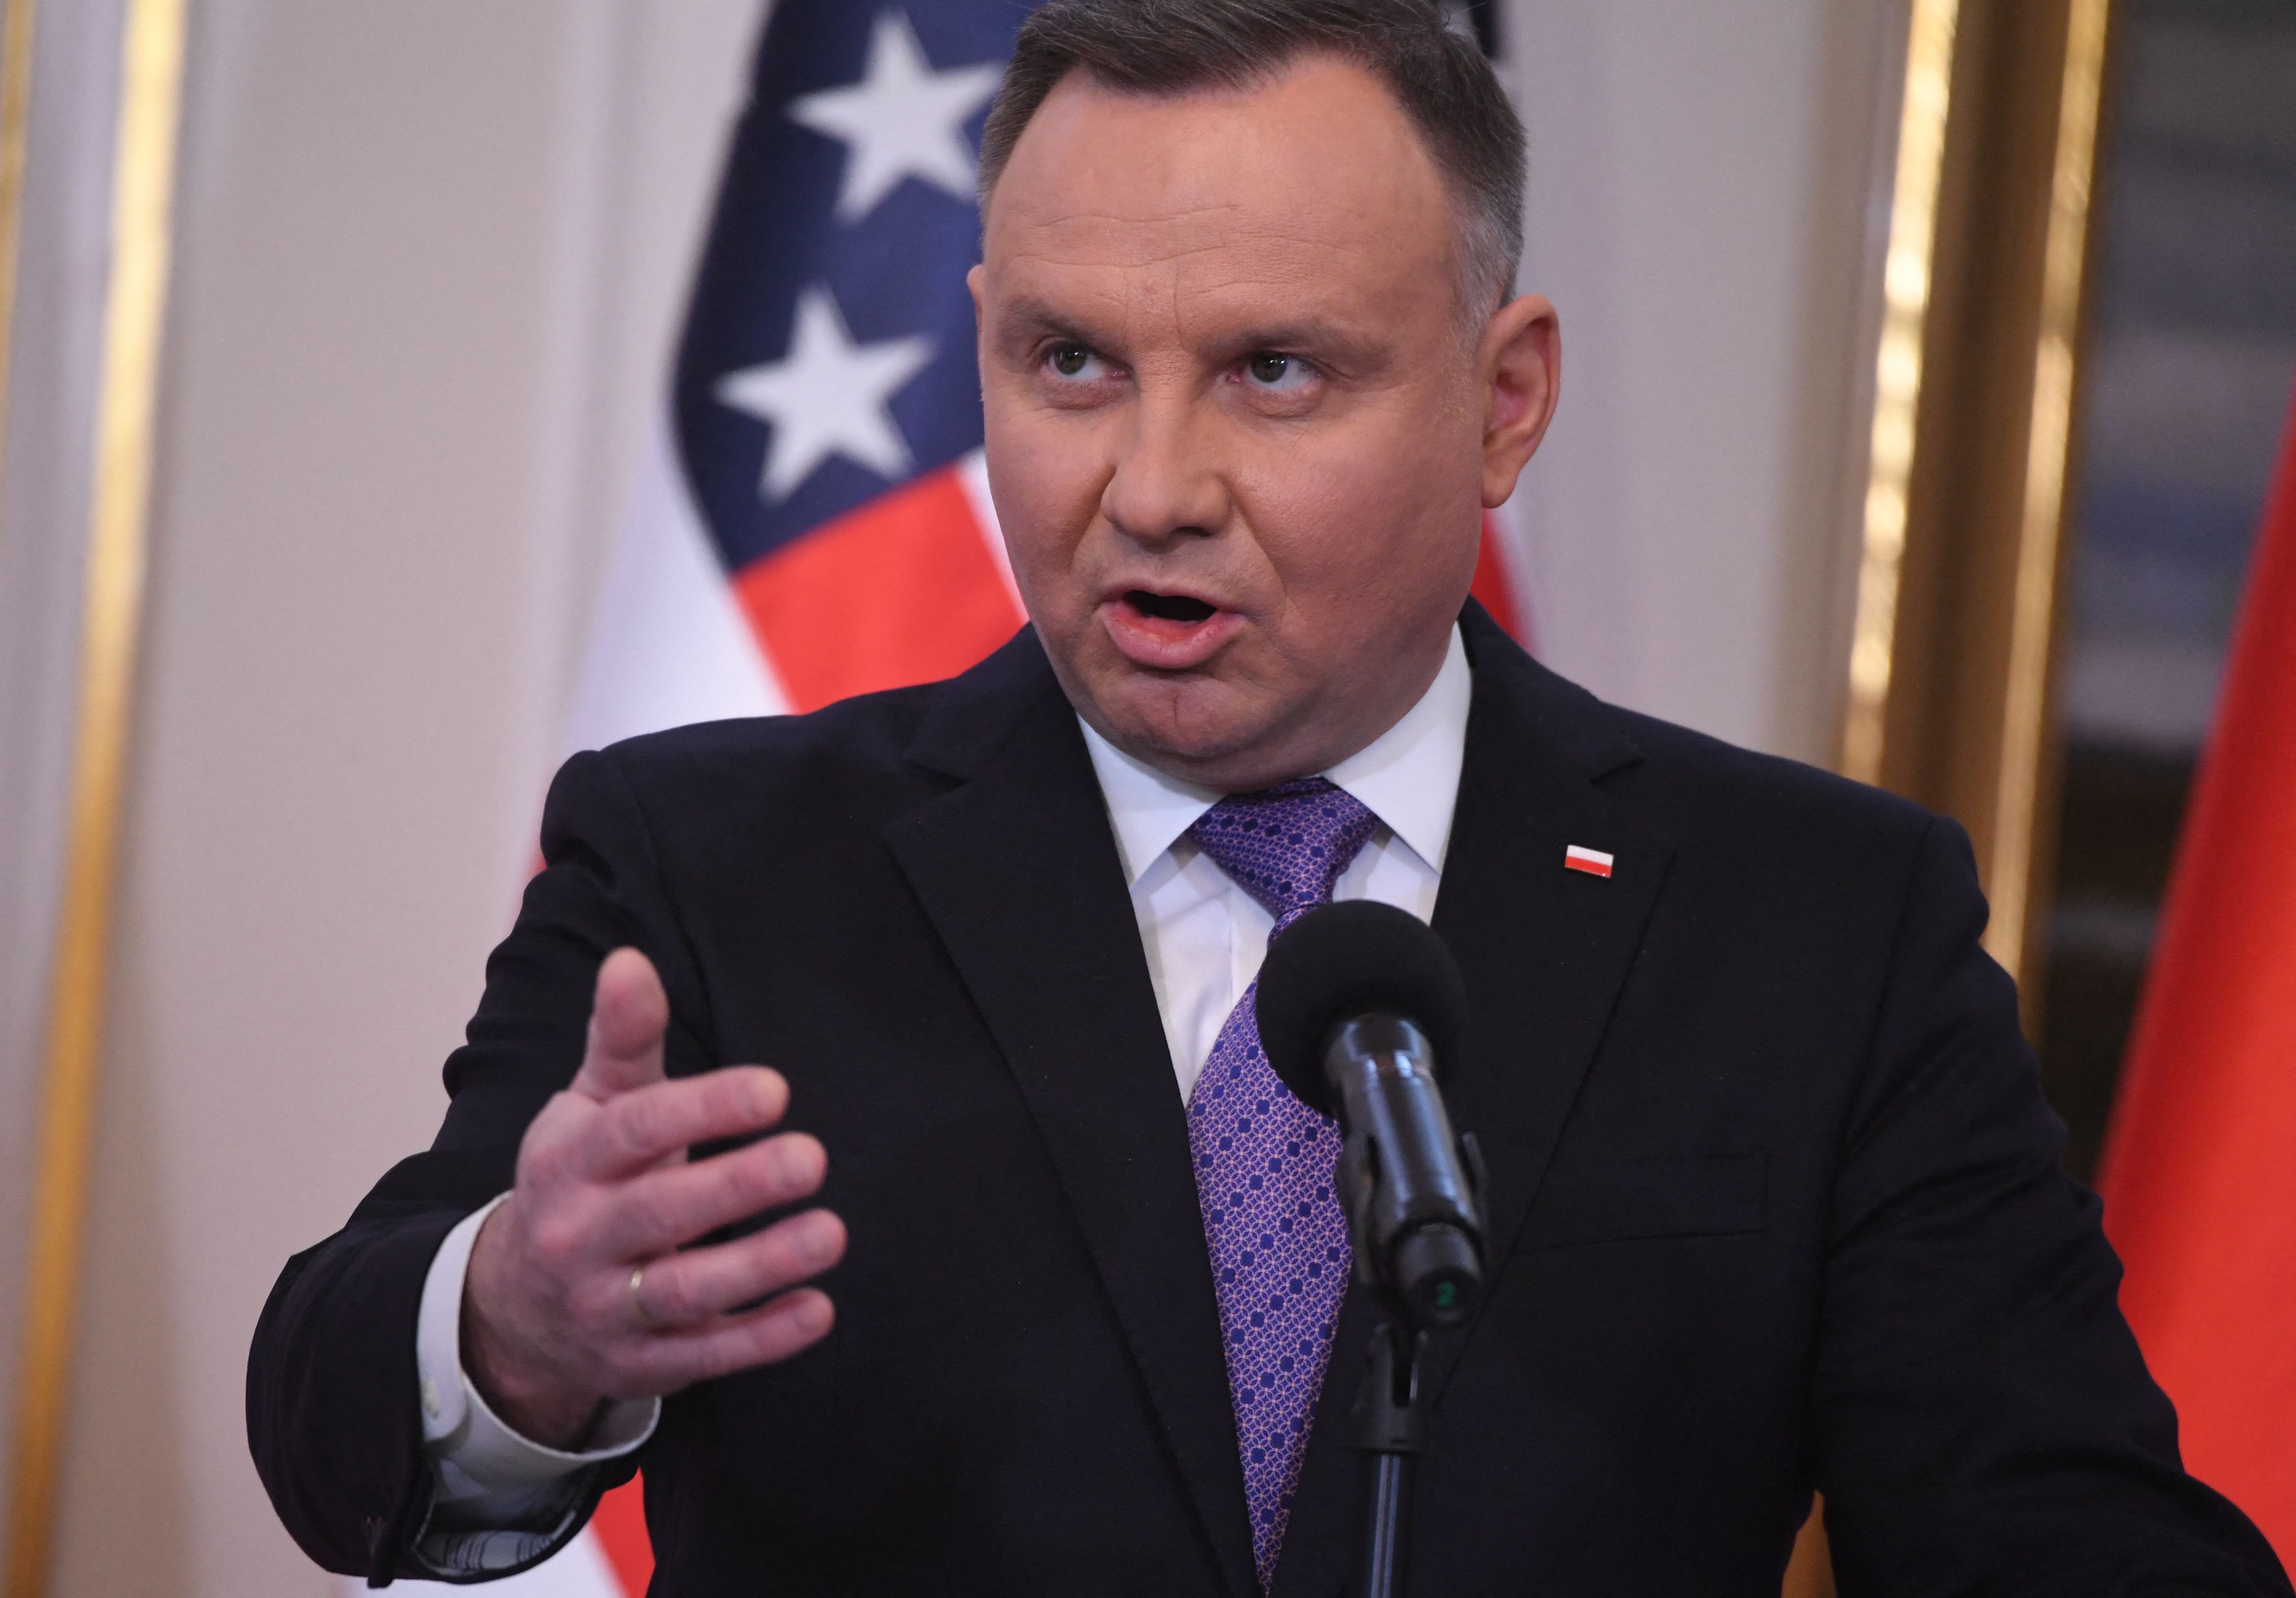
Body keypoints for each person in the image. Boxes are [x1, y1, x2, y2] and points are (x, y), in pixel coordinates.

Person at [247, 2, 2293, 1592]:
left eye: (1274, 373)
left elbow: (2058, 1531)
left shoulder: (1813, 927)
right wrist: (514, 1321)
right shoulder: (713, 865)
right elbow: (339, 1433)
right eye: (1068, 363)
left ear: (1505, 403)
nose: (1149, 484)